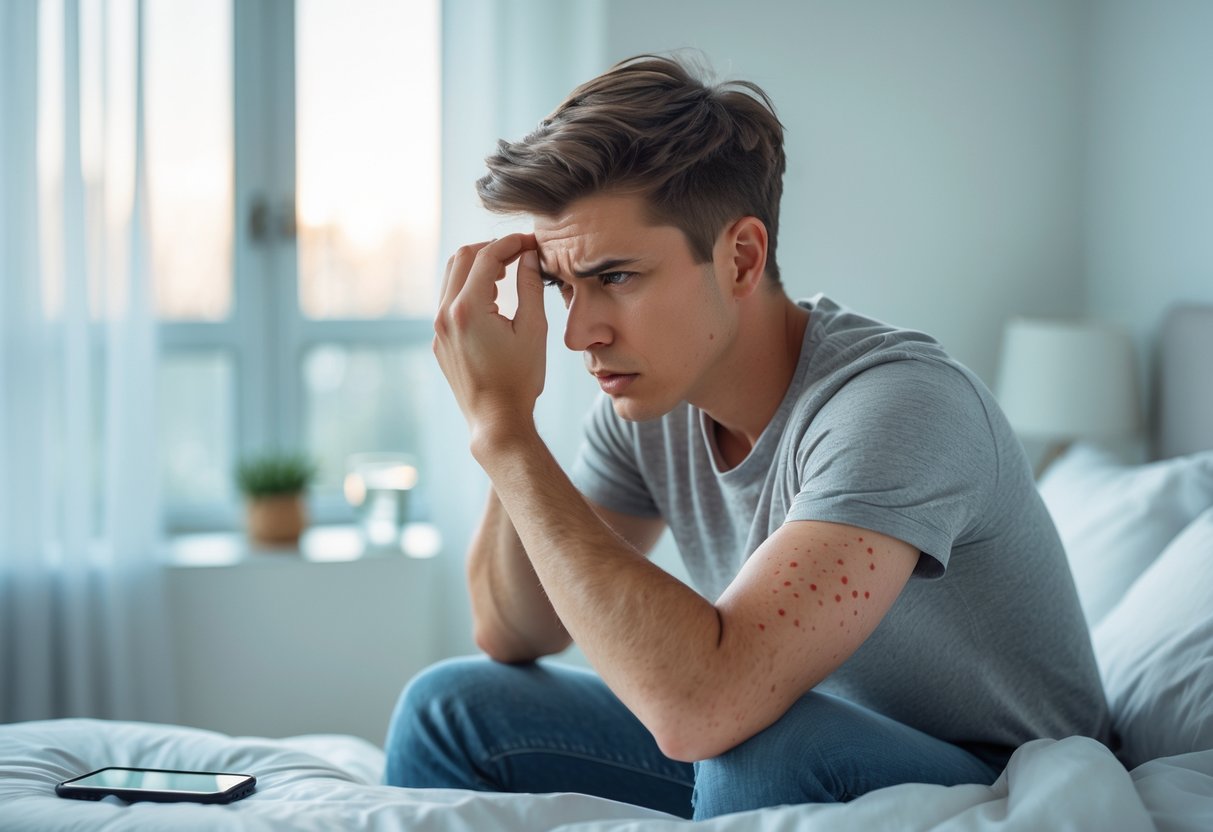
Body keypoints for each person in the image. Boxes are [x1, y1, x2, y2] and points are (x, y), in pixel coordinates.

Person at [383, 54, 1111, 820]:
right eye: (566, 286)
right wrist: (507, 421)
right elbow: (513, 631)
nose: (577, 335)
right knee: (451, 707)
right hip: (779, 741)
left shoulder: (900, 406)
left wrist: (504, 437)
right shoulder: (651, 402)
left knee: (756, 736)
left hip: (994, 779)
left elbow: (704, 708)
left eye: (617, 278)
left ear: (739, 256)